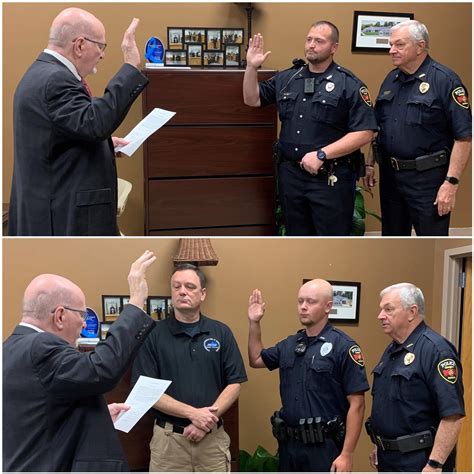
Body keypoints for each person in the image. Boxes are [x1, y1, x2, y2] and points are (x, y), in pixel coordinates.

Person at [3, 250, 157, 471]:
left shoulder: (8, 349)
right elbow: (102, 369)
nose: (85, 325)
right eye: (82, 315)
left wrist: (98, 416)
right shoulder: (41, 348)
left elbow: (42, 416)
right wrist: (135, 302)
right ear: (60, 316)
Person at [9, 8, 149, 236]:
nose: (103, 55)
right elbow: (95, 124)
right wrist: (130, 67)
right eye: (101, 46)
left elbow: (65, 132)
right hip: (62, 216)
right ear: (80, 45)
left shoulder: (41, 72)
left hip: (48, 207)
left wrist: (105, 145)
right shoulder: (55, 80)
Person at [243, 22, 377, 236]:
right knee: (297, 235)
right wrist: (251, 67)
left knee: (332, 238)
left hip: (330, 179)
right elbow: (252, 98)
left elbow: (365, 132)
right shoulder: (288, 78)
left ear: (334, 47)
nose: (311, 45)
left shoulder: (349, 84)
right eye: (309, 39)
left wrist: (323, 154)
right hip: (291, 177)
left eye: (319, 41)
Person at [132, 263, 248, 472]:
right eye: (176, 287)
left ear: (203, 294)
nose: (182, 291)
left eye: (189, 286)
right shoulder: (152, 334)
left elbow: (235, 383)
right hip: (169, 444)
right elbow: (145, 391)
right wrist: (194, 414)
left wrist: (205, 422)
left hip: (212, 442)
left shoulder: (221, 332)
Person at [247, 279, 369, 472]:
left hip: (324, 448)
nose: (303, 307)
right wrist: (254, 322)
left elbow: (357, 404)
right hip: (289, 446)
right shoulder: (289, 344)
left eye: (311, 302)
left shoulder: (343, 346)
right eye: (300, 301)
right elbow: (256, 359)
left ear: (328, 306)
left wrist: (347, 454)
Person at [365, 20, 472, 236]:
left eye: (399, 45)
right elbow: (379, 127)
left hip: (427, 179)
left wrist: (451, 184)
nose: (391, 50)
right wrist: (369, 163)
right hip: (391, 178)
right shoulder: (391, 79)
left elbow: (464, 138)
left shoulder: (445, 81)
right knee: (392, 239)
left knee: (430, 236)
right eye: (390, 44)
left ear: (420, 46)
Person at [367, 283, 465, 472]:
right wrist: (381, 444)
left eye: (388, 309)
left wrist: (435, 465)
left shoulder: (436, 350)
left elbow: (453, 416)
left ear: (412, 312)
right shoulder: (393, 349)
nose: (380, 316)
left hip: (419, 461)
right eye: (381, 310)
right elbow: (394, 407)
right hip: (389, 459)